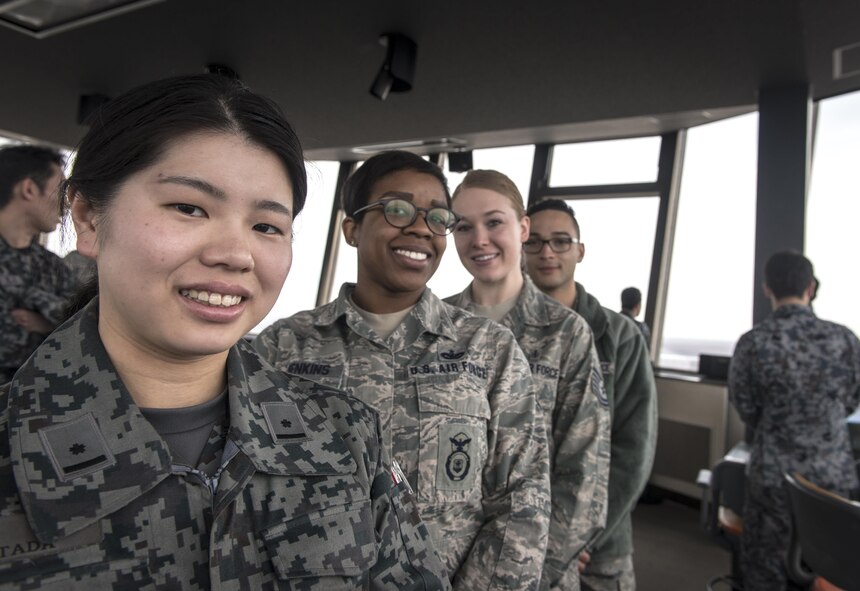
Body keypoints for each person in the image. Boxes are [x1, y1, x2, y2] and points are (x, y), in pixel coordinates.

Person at [0, 74, 449, 590]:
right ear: (88, 217)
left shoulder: (345, 435)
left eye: (266, 227)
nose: (235, 254)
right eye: (189, 208)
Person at [254, 151, 551, 590]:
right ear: (351, 228)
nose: (419, 228)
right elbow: (251, 493)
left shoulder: (487, 349)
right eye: (397, 209)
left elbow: (522, 498)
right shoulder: (281, 347)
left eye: (437, 217)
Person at [443, 171, 610, 591]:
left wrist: (534, 569)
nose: (479, 239)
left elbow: (583, 472)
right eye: (463, 226)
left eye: (494, 222)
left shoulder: (565, 332)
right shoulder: (435, 325)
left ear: (522, 228)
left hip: (532, 571)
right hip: (437, 564)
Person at [524, 198, 657, 591]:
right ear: (520, 247)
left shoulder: (620, 336)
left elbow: (633, 450)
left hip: (599, 546)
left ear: (580, 251)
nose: (547, 251)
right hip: (518, 539)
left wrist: (578, 535)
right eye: (535, 242)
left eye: (561, 241)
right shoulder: (499, 334)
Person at [729, 251, 860, 591]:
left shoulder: (753, 343)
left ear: (766, 289)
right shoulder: (845, 340)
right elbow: (850, 401)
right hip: (831, 482)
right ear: (812, 287)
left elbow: (746, 408)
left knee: (766, 573)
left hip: (773, 476)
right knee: (831, 573)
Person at [0, 144, 76, 383]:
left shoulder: (52, 267)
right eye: (59, 192)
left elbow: (82, 323)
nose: (66, 206)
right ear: (29, 189)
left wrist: (46, 323)